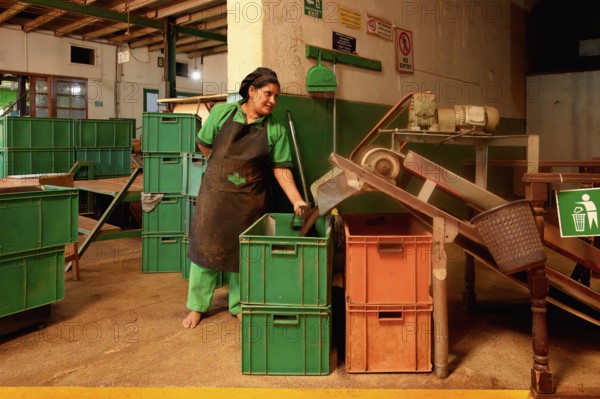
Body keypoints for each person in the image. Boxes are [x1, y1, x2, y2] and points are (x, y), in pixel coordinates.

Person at [183, 67, 308, 328]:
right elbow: (204, 144)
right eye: (268, 94)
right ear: (251, 92)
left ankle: (238, 304)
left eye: (276, 96)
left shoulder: (275, 130)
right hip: (215, 197)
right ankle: (197, 306)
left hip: (250, 201)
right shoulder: (222, 113)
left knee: (243, 254)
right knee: (206, 249)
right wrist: (219, 169)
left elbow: (281, 169)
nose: (272, 100)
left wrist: (297, 199)